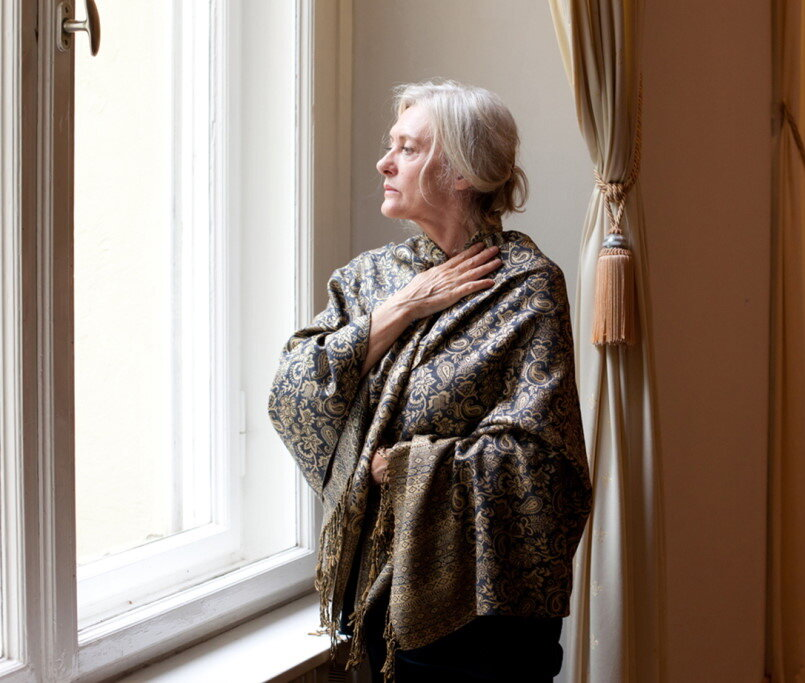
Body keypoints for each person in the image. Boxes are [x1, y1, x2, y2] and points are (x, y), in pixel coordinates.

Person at [267, 78, 593, 683]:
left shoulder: (526, 287)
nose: (384, 162)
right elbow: (293, 390)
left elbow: (544, 462)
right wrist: (403, 308)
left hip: (483, 612)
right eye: (391, 144)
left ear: (463, 172)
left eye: (408, 148)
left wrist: (411, 467)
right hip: (376, 596)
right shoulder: (369, 280)